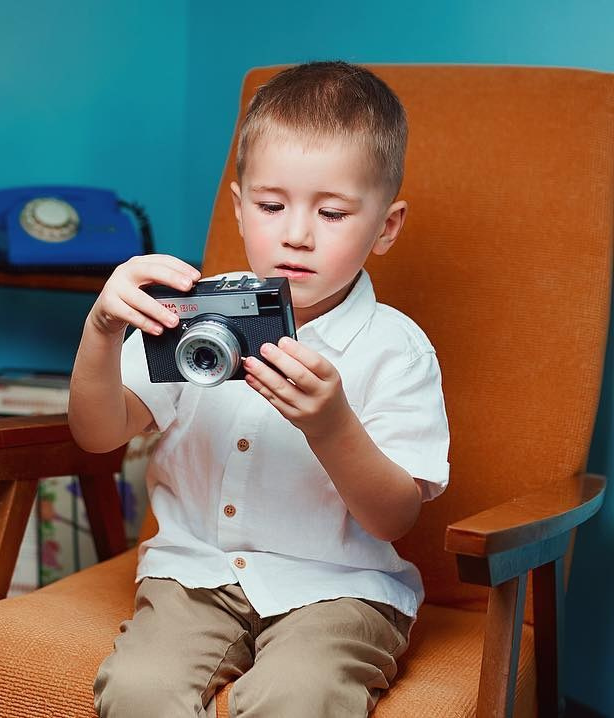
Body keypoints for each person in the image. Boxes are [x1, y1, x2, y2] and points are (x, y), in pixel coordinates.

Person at [68, 61, 450, 717]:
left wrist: (332, 427)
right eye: (272, 207)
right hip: (195, 576)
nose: (296, 234)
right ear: (240, 208)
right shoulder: (193, 316)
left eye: (331, 212)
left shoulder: (396, 349)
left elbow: (396, 519)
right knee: (136, 692)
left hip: (343, 588)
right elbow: (98, 434)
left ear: (386, 226)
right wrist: (101, 329)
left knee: (298, 699)